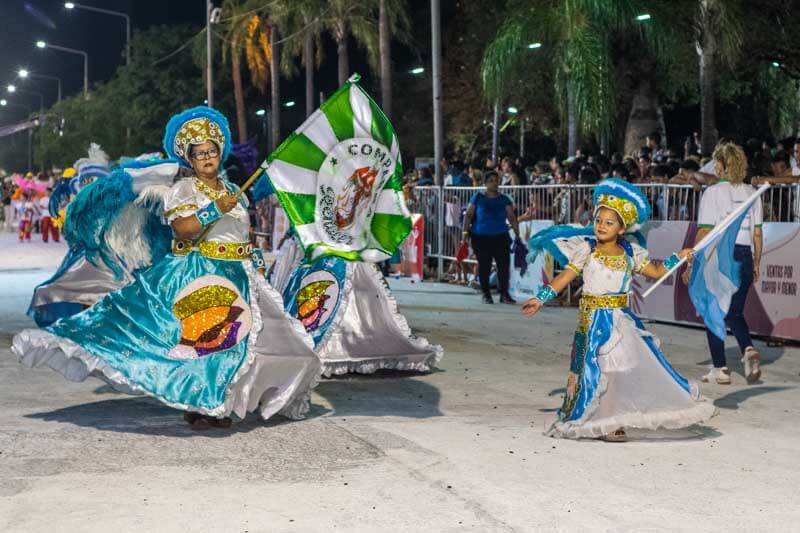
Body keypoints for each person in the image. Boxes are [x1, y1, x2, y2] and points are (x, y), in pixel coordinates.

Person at [13, 106, 321, 430]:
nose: (206, 158)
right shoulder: (184, 190)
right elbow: (184, 229)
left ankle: (235, 399)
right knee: (209, 346)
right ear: (190, 159)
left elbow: (242, 232)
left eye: (212, 152)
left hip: (241, 274)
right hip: (202, 271)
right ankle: (204, 406)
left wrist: (256, 262)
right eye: (199, 153)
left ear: (220, 154)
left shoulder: (233, 192)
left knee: (269, 343)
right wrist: (214, 209)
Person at [523, 178, 716, 440]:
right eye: (599, 220)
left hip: (621, 321)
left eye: (609, 222)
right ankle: (603, 422)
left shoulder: (630, 253)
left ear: (622, 228)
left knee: (619, 369)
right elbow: (564, 277)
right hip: (593, 322)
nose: (601, 226)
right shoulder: (586, 250)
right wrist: (540, 298)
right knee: (597, 371)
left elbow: (657, 271)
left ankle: (611, 418)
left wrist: (678, 258)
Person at [684, 142, 763, 384]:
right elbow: (757, 234)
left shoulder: (712, 193)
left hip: (719, 257)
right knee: (735, 311)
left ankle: (720, 368)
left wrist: (691, 264)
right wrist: (757, 263)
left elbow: (704, 233)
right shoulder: (752, 193)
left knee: (713, 311)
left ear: (720, 165)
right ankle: (748, 349)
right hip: (745, 255)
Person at [461, 171, 521, 304]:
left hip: (501, 236)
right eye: (492, 180)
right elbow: (469, 215)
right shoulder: (478, 197)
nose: (495, 183)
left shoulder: (504, 199)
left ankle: (504, 294)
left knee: (503, 267)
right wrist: (464, 233)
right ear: (485, 183)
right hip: (481, 237)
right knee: (484, 266)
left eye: (497, 180)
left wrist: (517, 233)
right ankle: (486, 293)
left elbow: (511, 217)